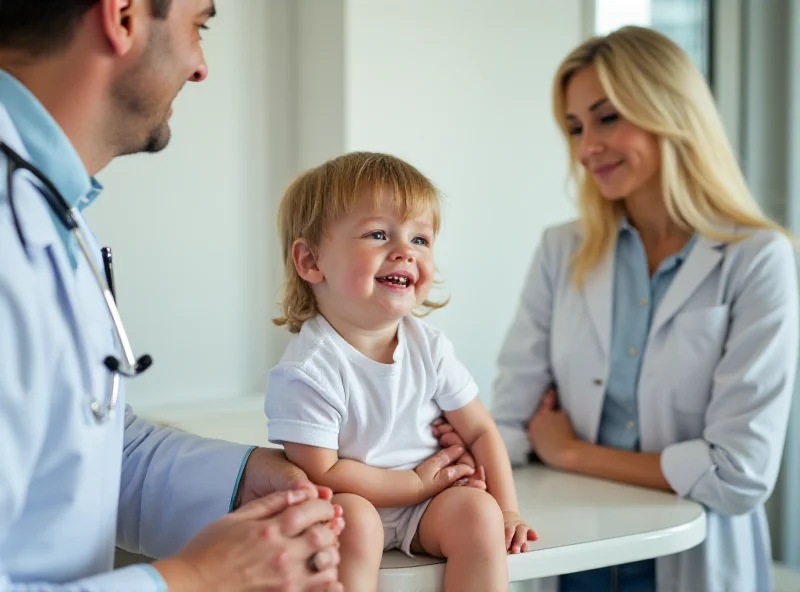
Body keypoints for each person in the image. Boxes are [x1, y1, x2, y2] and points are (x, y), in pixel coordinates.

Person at [435, 25, 799, 592]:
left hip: (690, 560)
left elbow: (739, 474)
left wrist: (574, 453)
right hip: (570, 555)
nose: (586, 149)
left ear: (668, 111)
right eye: (576, 128)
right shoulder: (563, 250)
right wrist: (434, 459)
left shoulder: (756, 259)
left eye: (608, 118)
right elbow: (512, 421)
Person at [0, 1, 344, 590]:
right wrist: (195, 579)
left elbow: (89, 450)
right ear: (124, 16)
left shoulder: (52, 205)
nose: (200, 65)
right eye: (198, 26)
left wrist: (243, 481)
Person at [264, 151, 538, 592]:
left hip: (429, 506)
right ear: (311, 261)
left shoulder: (428, 345)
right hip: (353, 502)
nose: (405, 253)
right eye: (378, 234)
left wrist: (507, 509)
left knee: (478, 514)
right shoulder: (308, 369)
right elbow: (322, 473)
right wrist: (411, 483)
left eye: (420, 240)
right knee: (353, 522)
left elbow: (481, 432)